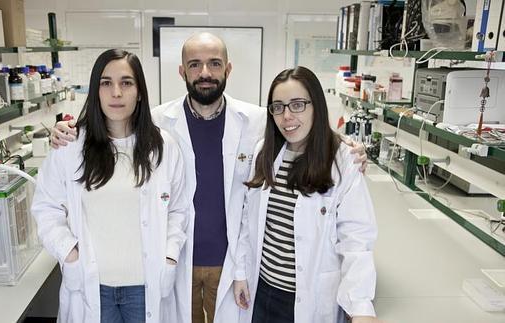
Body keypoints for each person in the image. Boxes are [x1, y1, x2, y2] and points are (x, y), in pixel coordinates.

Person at [50, 33, 368, 323]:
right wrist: (65, 131)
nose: (205, 72)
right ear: (182, 72)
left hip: (229, 264)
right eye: (195, 64)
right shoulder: (158, 124)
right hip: (177, 263)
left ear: (227, 69)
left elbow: (298, 127)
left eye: (214, 63)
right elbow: (110, 120)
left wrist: (346, 145)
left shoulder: (257, 121)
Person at [31, 49, 191, 323]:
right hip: (92, 288)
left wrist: (169, 258)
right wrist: (69, 253)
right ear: (96, 91)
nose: (116, 92)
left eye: (126, 83)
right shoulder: (71, 146)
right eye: (106, 83)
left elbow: (178, 210)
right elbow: (46, 207)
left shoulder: (163, 147)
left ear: (139, 92)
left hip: (145, 288)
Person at [233, 66, 381, 323]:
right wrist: (241, 272)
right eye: (278, 107)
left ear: (316, 107)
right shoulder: (264, 153)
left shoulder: (342, 160)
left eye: (298, 105)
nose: (287, 116)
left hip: (308, 298)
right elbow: (249, 223)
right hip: (263, 291)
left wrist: (360, 308)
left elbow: (356, 240)